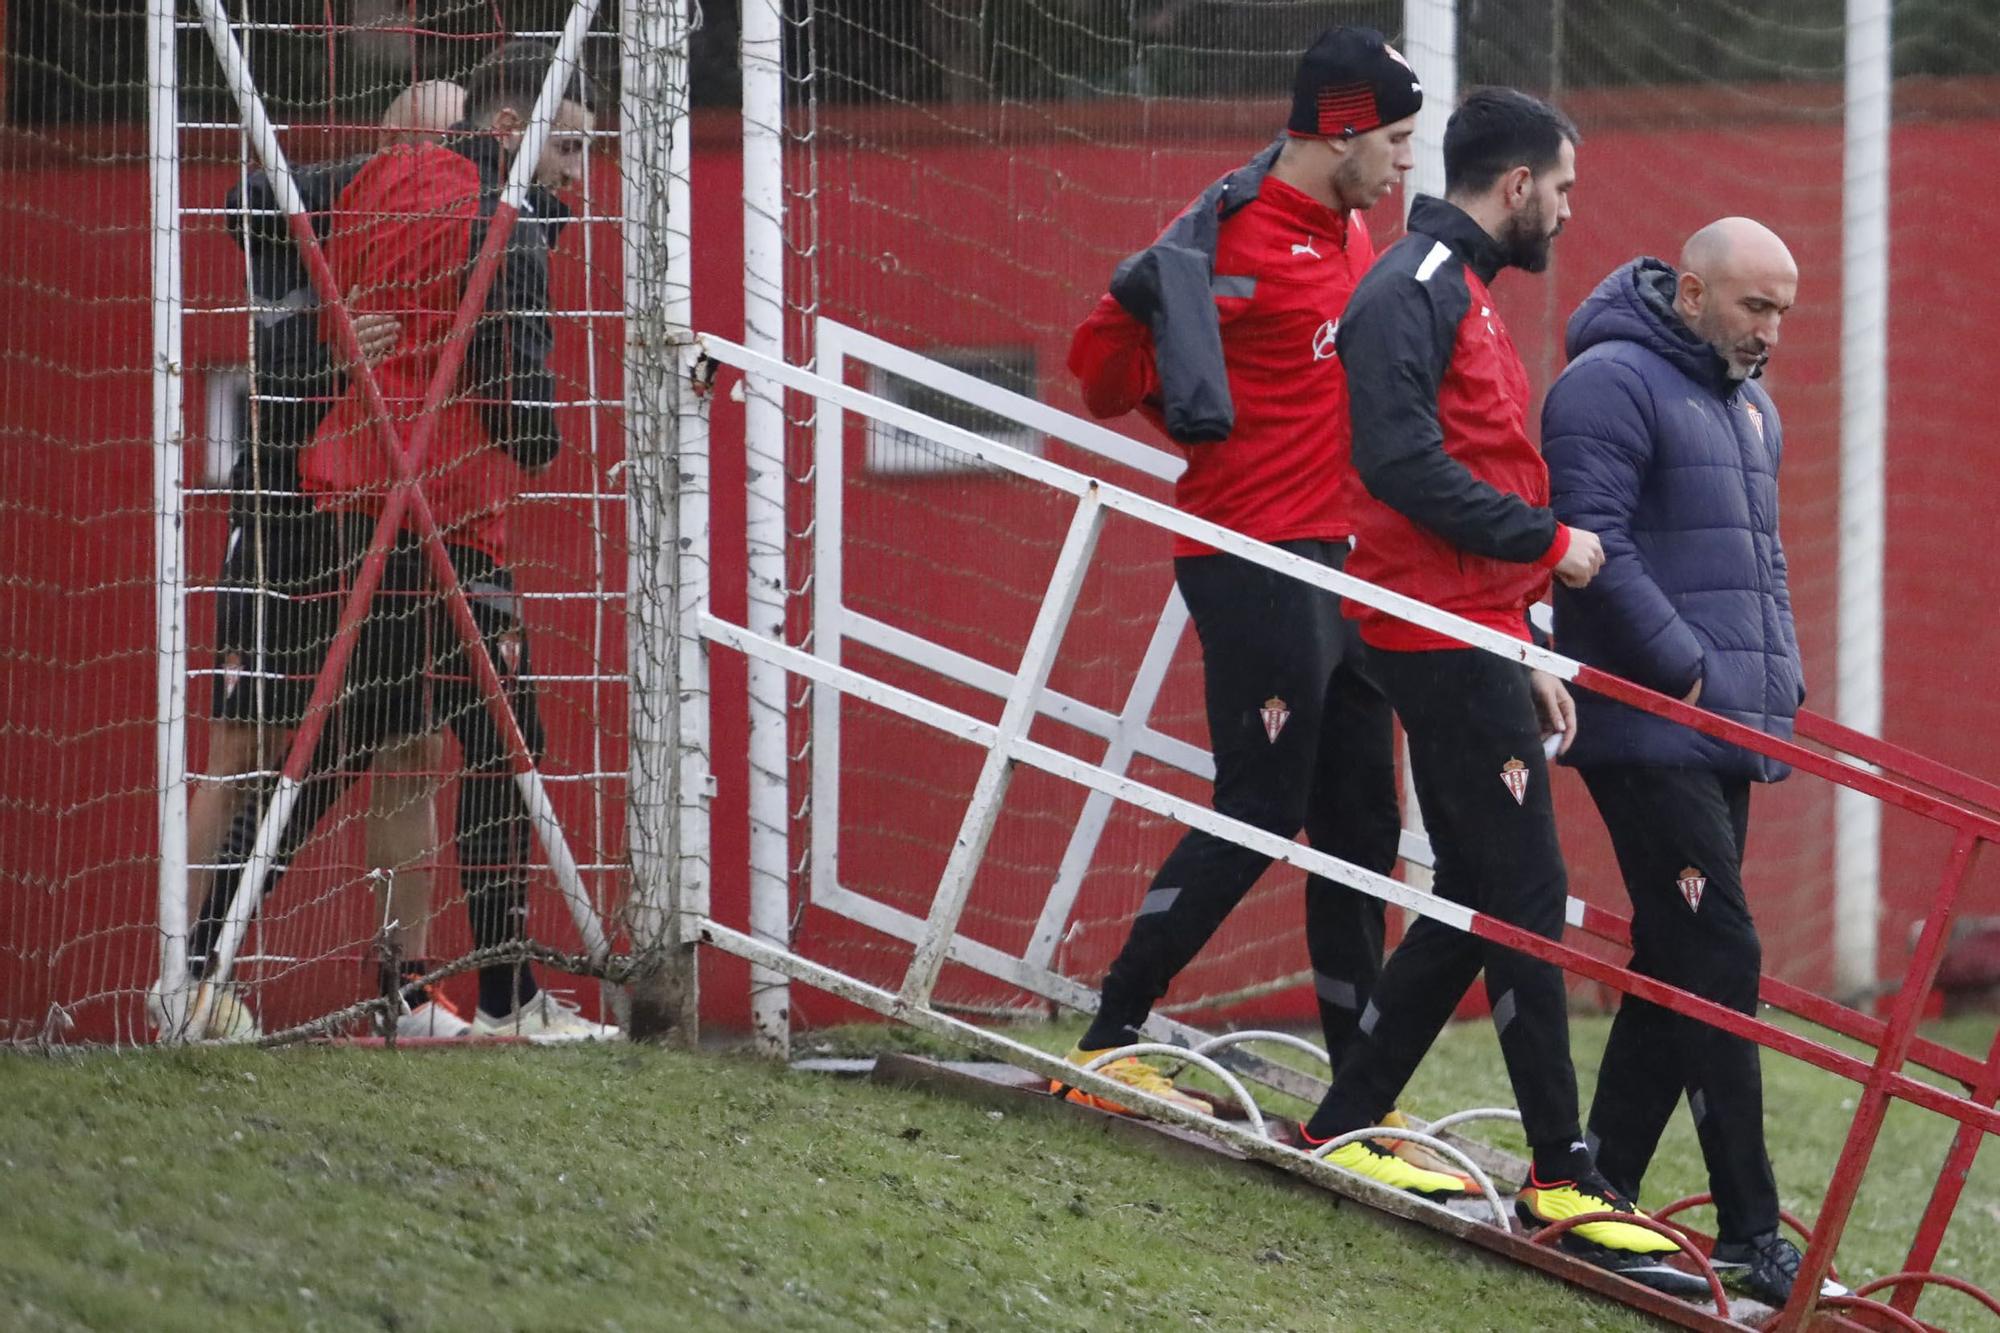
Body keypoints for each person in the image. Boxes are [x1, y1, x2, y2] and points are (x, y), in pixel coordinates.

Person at [1290, 87, 1705, 1295]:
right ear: (1516, 185)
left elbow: (1450, 465)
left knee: (1479, 885)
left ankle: (1347, 1117)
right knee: (1528, 889)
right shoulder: (1412, 285)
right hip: (1425, 629)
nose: (1570, 212)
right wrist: (1546, 547)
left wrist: (1520, 630)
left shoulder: (1452, 286)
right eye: (1564, 189)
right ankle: (1561, 1174)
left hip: (1467, 624)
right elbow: (1398, 465)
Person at [192, 40, 615, 1043]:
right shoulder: (505, 228)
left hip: (354, 501)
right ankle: (506, 999)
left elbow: (261, 207)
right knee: (499, 742)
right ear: (508, 133)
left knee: (351, 748)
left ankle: (245, 969)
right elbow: (523, 420)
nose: (580, 175)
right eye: (571, 147)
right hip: (434, 516)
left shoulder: (382, 182)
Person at [1060, 25, 1418, 1147]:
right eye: (1397, 140)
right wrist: (1156, 338)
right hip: (1253, 558)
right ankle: (1108, 1040)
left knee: (1364, 821)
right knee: (1262, 807)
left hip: (1347, 565)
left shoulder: (1353, 231)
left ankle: (1357, 1101)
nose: (1404, 164)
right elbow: (1097, 375)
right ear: (1343, 129)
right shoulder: (1225, 229)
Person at [1544, 219, 1842, 1305]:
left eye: (1781, 312)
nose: (1769, 332)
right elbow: (1587, 542)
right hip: (1648, 725)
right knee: (1717, 955)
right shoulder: (1607, 382)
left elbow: (1755, 567)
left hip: (1718, 730)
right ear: (1688, 292)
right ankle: (1746, 1229)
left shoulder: (1747, 407)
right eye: (1752, 306)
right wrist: (1683, 668)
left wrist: (1778, 681)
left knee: (1680, 961)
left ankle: (1600, 1183)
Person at [153, 82, 468, 1044]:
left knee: (412, 745)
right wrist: (338, 346)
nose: (450, 169)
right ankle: (183, 976)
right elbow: (245, 209)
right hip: (286, 514)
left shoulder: (460, 230)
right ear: (390, 142)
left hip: (386, 524)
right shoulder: (300, 219)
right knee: (244, 746)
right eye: (436, 145)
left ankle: (402, 990)